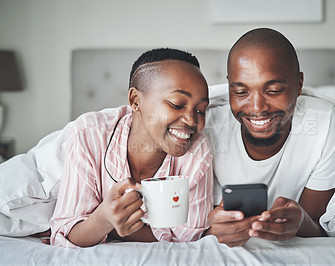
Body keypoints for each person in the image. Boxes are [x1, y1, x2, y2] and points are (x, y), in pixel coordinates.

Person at [50, 48, 213, 248]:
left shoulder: (197, 151)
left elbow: (189, 237)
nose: (191, 120)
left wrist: (111, 230)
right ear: (135, 100)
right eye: (177, 104)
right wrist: (104, 218)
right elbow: (64, 236)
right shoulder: (90, 134)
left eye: (200, 110)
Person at [203, 28, 335, 247]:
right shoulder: (208, 126)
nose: (257, 107)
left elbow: (318, 226)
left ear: (299, 84)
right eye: (241, 92)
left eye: (274, 90)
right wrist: (210, 231)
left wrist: (301, 222)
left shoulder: (323, 122)